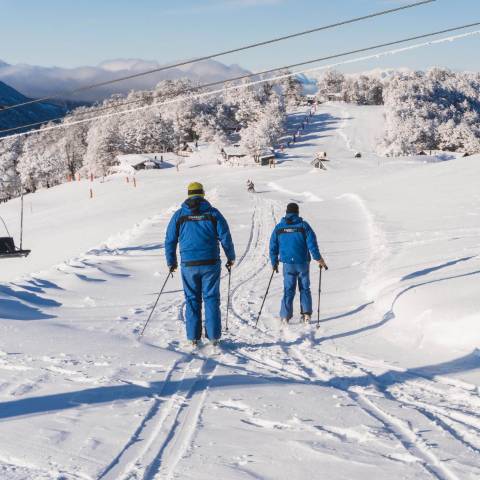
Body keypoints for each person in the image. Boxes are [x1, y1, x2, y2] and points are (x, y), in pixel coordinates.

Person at [165, 182, 236, 346]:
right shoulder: (213, 213)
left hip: (189, 265)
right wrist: (230, 257)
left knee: (192, 299)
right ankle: (213, 337)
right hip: (210, 263)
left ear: (188, 194)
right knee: (211, 298)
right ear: (203, 194)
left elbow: (170, 240)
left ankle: (193, 338)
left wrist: (171, 262)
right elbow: (225, 236)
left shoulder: (179, 215)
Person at [269, 202, 328, 324]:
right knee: (305, 288)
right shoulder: (303, 226)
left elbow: (273, 246)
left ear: (286, 212)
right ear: (297, 212)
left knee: (288, 289)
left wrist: (274, 262)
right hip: (302, 263)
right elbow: (312, 245)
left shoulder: (279, 227)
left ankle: (285, 316)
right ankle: (306, 314)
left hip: (288, 265)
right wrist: (319, 259)